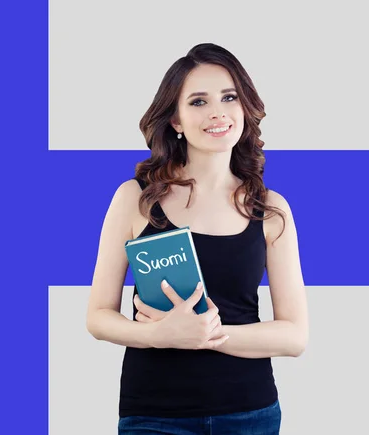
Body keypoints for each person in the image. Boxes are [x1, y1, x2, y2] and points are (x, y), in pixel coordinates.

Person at [86, 43, 308, 435]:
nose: (218, 112)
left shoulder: (271, 209)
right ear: (175, 120)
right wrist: (157, 335)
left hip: (250, 413)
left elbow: (294, 336)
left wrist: (206, 336)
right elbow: (98, 317)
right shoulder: (134, 199)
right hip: (154, 414)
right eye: (198, 101)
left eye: (229, 97)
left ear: (244, 107)